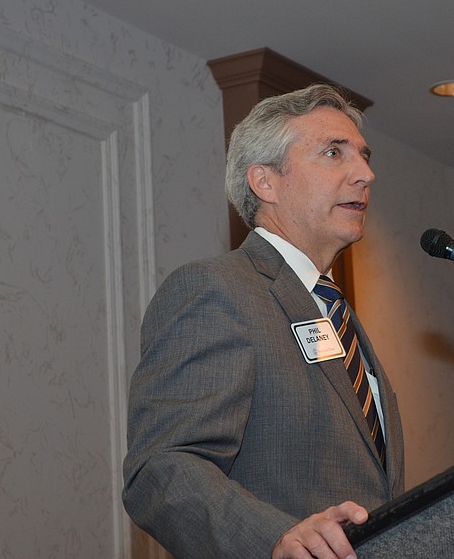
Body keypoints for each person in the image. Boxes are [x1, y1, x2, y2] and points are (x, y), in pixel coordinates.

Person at [122, 83, 405, 559]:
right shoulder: (218, 289)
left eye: (363, 155)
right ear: (265, 182)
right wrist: (272, 537)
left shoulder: (336, 313)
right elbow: (161, 468)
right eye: (334, 153)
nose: (366, 174)